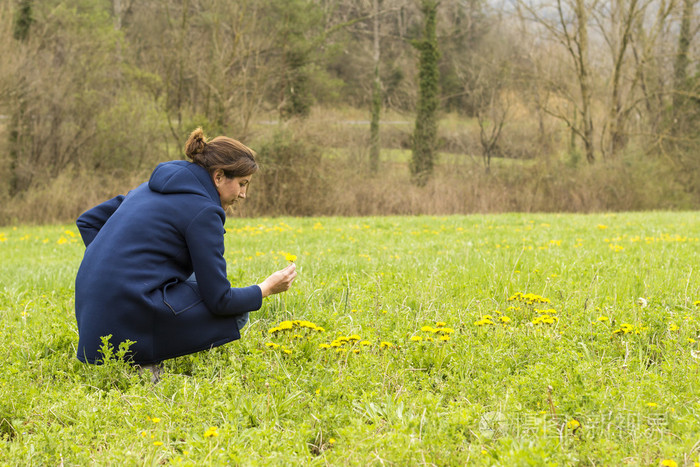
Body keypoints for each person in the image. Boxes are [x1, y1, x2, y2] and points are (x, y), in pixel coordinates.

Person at [74, 128, 296, 371]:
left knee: (192, 279)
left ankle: (142, 346)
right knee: (238, 311)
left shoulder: (147, 189)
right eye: (242, 184)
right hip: (127, 315)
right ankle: (144, 365)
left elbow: (89, 221)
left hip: (91, 316)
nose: (244, 194)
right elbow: (220, 300)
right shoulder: (204, 211)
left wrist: (110, 267)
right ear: (219, 176)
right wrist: (265, 289)